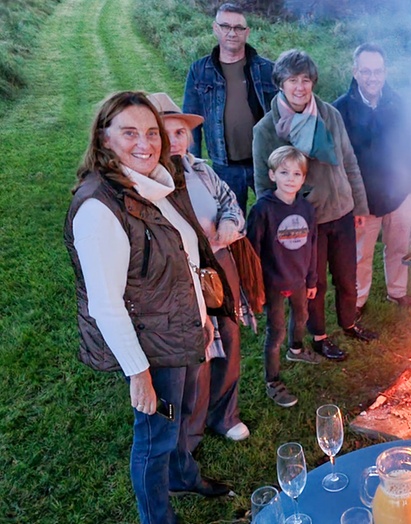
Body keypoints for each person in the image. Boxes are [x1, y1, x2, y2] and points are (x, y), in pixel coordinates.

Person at [64, 91, 232, 524]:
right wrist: (139, 376)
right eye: (130, 133)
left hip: (180, 329)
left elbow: (183, 259)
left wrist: (201, 318)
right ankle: (158, 517)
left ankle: (183, 475)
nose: (146, 142)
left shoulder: (155, 183)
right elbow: (105, 304)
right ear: (104, 140)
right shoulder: (100, 207)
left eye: (152, 132)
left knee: (175, 424)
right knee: (154, 437)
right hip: (150, 348)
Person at [253, 49, 376, 362]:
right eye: (292, 80)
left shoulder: (329, 114)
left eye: (305, 80)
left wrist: (358, 204)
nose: (299, 87)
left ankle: (349, 323)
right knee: (315, 283)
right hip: (307, 219)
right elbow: (264, 185)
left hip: (343, 210)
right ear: (280, 84)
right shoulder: (267, 129)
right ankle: (319, 336)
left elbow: (348, 159)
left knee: (348, 277)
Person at [147, 92, 249, 446]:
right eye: (164, 133)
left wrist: (230, 223)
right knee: (196, 351)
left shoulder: (201, 169)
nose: (174, 142)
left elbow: (229, 202)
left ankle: (224, 415)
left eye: (180, 133)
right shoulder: (148, 184)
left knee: (229, 336)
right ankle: (190, 429)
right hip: (181, 275)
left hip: (219, 265)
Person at [333, 43, 411, 314]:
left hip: (400, 192)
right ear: (355, 72)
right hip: (363, 199)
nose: (372, 77)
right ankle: (357, 300)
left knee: (399, 247)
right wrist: (352, 200)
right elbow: (337, 161)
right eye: (366, 71)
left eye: (377, 71)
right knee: (360, 255)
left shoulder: (399, 103)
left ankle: (397, 292)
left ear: (385, 72)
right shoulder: (340, 110)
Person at [183, 2, 278, 213]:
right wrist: (192, 165)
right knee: (231, 223)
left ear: (247, 32)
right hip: (224, 166)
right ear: (215, 29)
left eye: (238, 28)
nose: (232, 33)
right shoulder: (200, 70)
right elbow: (190, 120)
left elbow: (283, 116)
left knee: (275, 219)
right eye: (225, 26)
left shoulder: (267, 69)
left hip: (264, 163)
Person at [247, 146, 317, 406]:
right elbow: (252, 250)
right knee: (275, 332)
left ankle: (296, 349)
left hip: (299, 280)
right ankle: (272, 380)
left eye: (297, 174)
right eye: (284, 172)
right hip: (273, 283)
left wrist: (311, 280)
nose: (291, 178)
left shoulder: (307, 209)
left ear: (303, 178)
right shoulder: (263, 210)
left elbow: (312, 246)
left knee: (301, 317)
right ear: (272, 175)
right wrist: (256, 287)